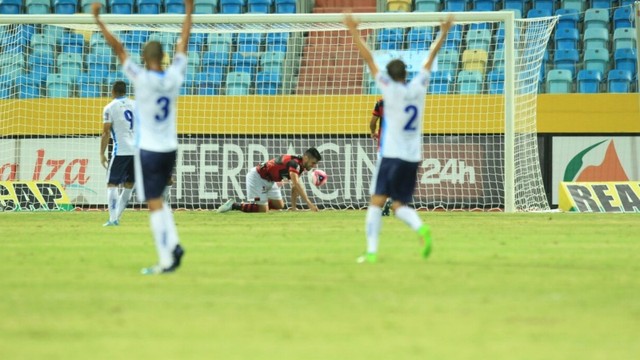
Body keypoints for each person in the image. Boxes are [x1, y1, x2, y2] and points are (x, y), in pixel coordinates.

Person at [344, 13, 454, 263]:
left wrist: (353, 30)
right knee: (398, 206)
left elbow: (369, 59)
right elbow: (428, 61)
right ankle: (420, 228)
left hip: (391, 155)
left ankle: (371, 252)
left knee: (375, 203)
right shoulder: (418, 88)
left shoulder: (388, 90)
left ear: (389, 75)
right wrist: (443, 32)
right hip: (412, 156)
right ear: (406, 73)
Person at [93, 0, 192, 274]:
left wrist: (98, 21)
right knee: (159, 199)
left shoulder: (140, 79)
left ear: (146, 59)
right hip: (170, 147)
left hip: (148, 150)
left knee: (154, 204)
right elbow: (184, 42)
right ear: (163, 58)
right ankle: (174, 246)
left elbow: (118, 49)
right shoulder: (174, 75)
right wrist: (189, 9)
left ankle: (166, 259)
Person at [217, 148, 322, 213]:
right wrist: (309, 203)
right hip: (257, 177)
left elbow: (294, 187)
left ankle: (261, 203)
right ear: (306, 158)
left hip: (270, 181)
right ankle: (234, 205)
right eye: (313, 163)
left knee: (279, 205)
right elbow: (296, 184)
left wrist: (294, 207)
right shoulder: (294, 163)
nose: (314, 166)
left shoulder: (300, 166)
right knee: (263, 210)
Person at [100, 80, 136, 227]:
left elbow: (106, 132)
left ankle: (113, 219)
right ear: (125, 91)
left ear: (113, 91)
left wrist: (101, 153)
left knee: (112, 184)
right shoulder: (136, 105)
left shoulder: (110, 107)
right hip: (137, 151)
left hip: (121, 151)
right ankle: (115, 218)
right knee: (129, 184)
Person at [369, 98, 392, 217]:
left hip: (383, 146)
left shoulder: (381, 102)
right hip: (399, 145)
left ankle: (380, 205)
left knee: (381, 177)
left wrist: (373, 132)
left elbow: (373, 122)